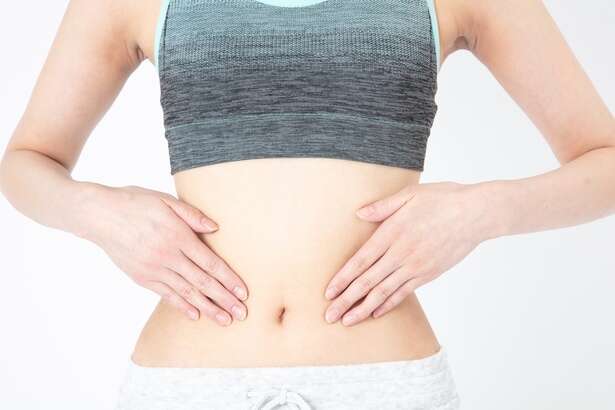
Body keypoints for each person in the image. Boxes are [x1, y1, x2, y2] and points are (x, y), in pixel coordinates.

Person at [1, 0, 613, 408]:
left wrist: (482, 211)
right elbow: (25, 162)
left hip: (383, 384)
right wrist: (102, 215)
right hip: (189, 384)